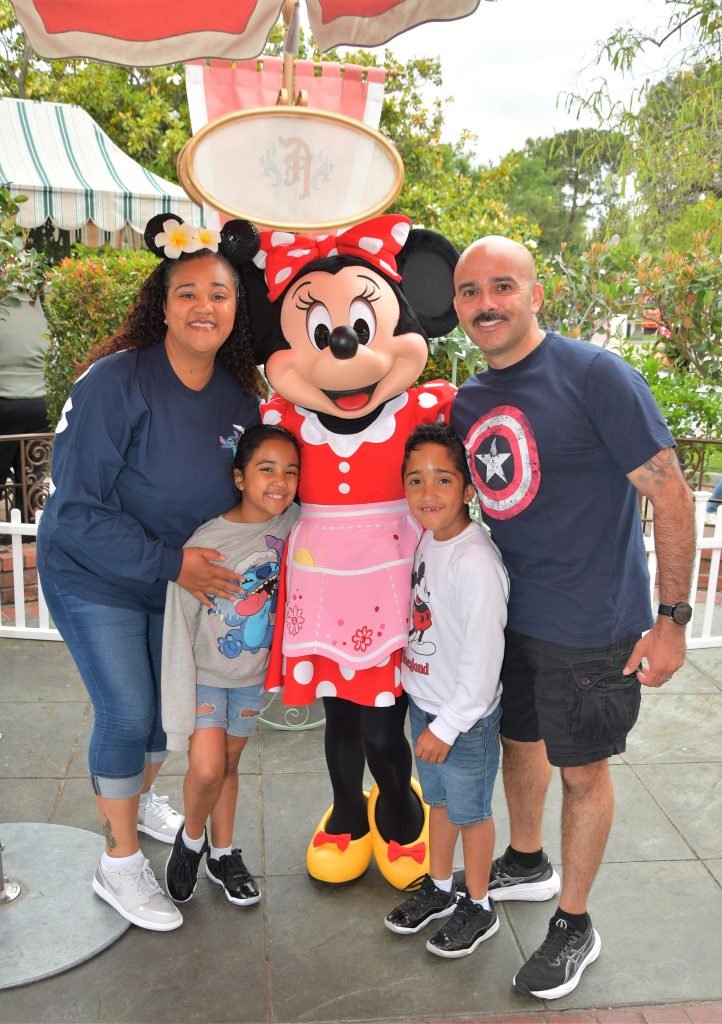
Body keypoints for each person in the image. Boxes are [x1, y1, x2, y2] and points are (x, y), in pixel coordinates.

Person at [450, 236, 695, 999]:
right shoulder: (468, 399)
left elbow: (673, 495)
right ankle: (526, 858)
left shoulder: (595, 375)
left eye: (501, 287)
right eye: (469, 293)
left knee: (582, 770)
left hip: (593, 622)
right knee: (521, 745)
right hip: (511, 615)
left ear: (534, 294)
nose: (485, 305)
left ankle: (575, 923)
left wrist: (673, 620)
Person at [36, 214, 264, 931]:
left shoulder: (238, 397)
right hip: (93, 574)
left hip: (176, 585)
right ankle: (118, 863)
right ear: (161, 305)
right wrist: (173, 563)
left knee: (168, 724)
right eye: (187, 292)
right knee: (129, 713)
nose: (204, 306)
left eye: (220, 294)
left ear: (237, 308)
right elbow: (74, 513)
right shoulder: (114, 384)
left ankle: (134, 797)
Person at [161, 424, 300, 908]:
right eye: (266, 469)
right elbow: (180, 618)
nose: (279, 481)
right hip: (205, 677)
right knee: (205, 769)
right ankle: (192, 841)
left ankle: (223, 854)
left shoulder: (294, 522)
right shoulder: (209, 540)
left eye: (290, 471)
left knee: (231, 764)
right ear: (239, 477)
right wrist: (176, 694)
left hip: (251, 678)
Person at [384, 423, 509, 959]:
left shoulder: (474, 561)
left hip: (464, 720)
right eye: (415, 480)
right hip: (428, 706)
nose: (427, 494)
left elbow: (483, 665)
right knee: (437, 801)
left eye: (442, 480)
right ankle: (438, 887)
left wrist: (448, 725)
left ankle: (477, 905)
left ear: (468, 489)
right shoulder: (428, 540)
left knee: (470, 812)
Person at [0, 292, 51, 516]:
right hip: (41, 405)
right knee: (31, 478)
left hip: (6, 402)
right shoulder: (39, 304)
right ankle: (28, 531)